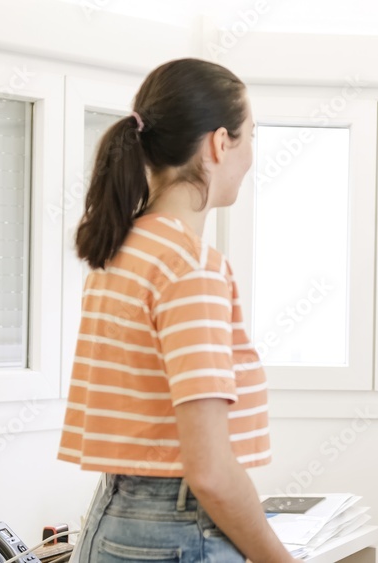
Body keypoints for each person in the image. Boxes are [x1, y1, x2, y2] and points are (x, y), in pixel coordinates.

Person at [57, 58, 298, 563]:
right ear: (217, 144)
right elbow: (209, 471)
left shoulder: (122, 248)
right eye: (250, 136)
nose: (252, 155)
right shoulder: (189, 268)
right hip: (177, 532)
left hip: (114, 517)